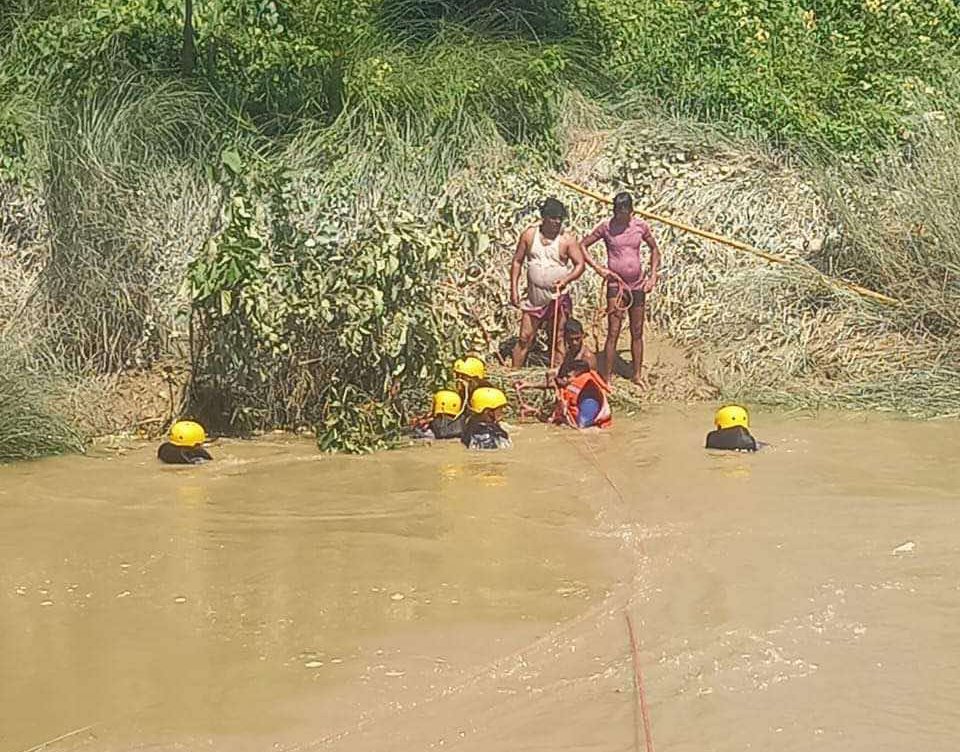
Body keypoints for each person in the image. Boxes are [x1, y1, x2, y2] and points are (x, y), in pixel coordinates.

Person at [582, 192, 661, 385]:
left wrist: (652, 277)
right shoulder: (606, 227)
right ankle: (606, 377)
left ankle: (637, 375)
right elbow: (583, 245)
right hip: (615, 285)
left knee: (637, 330)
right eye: (618, 213)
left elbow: (654, 249)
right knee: (613, 331)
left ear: (631, 211)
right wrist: (599, 269)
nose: (621, 216)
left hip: (637, 284)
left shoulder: (640, 226)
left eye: (625, 213)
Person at [510, 197, 586, 368]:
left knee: (558, 337)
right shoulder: (529, 235)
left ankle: (556, 377)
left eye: (560, 218)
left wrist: (566, 280)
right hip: (535, 299)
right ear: (544, 217)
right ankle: (514, 374)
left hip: (558, 298)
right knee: (524, 337)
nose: (557, 222)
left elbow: (580, 264)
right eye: (553, 218)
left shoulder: (567, 240)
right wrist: (513, 290)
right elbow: (517, 261)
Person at [552, 360, 612, 429]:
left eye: (567, 376)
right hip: (588, 412)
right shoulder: (581, 379)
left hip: (590, 410)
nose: (565, 379)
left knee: (582, 426)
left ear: (575, 372)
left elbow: (582, 426)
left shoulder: (584, 381)